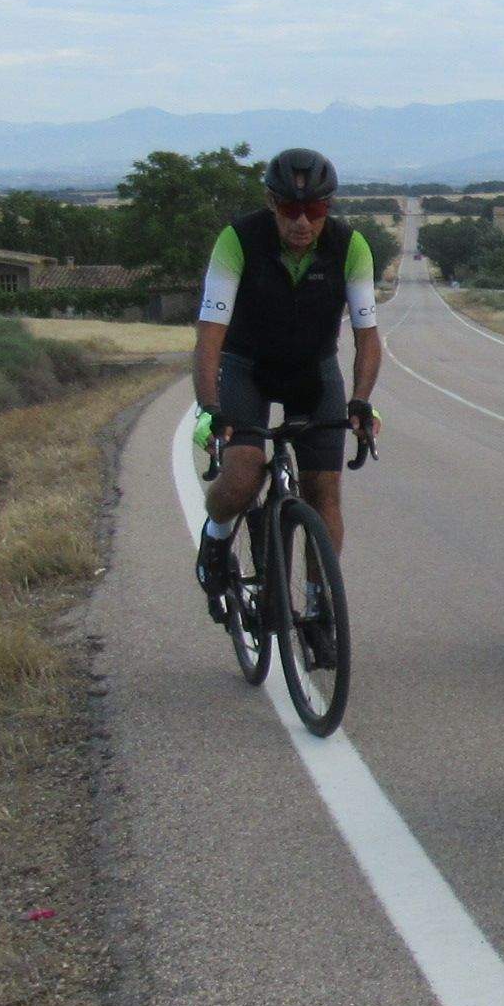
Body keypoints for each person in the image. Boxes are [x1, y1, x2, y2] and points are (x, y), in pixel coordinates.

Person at [192, 149, 382, 658]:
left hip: (312, 371)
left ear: (328, 208)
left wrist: (361, 400)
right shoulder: (238, 240)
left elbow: (367, 336)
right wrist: (210, 407)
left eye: (315, 211)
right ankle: (216, 539)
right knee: (241, 474)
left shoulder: (350, 246)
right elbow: (210, 334)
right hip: (246, 366)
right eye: (290, 209)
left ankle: (320, 608)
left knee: (324, 491)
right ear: (271, 203)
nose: (302, 222)